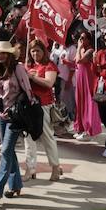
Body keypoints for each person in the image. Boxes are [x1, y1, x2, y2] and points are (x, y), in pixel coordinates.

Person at [0, 40, 33, 204]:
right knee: (9, 151)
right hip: (0, 115)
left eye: (4, 53)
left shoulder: (18, 68)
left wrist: (28, 106)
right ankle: (15, 185)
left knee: (5, 151)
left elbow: (27, 90)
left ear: (10, 54)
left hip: (15, 116)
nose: (1, 55)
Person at [23, 39, 62, 181]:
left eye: (37, 50)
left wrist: (33, 77)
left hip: (44, 105)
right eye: (32, 51)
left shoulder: (49, 65)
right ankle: (30, 168)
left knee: (47, 137)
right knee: (28, 138)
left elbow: (49, 83)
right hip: (29, 105)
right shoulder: (29, 65)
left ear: (43, 51)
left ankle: (55, 166)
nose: (34, 53)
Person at [70, 30, 102, 142]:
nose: (81, 40)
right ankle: (81, 128)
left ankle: (90, 130)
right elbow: (75, 62)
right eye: (80, 38)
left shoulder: (90, 50)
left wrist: (78, 48)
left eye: (84, 38)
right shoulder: (82, 49)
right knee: (80, 103)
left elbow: (80, 60)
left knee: (88, 103)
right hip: (79, 79)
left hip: (88, 80)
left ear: (89, 39)